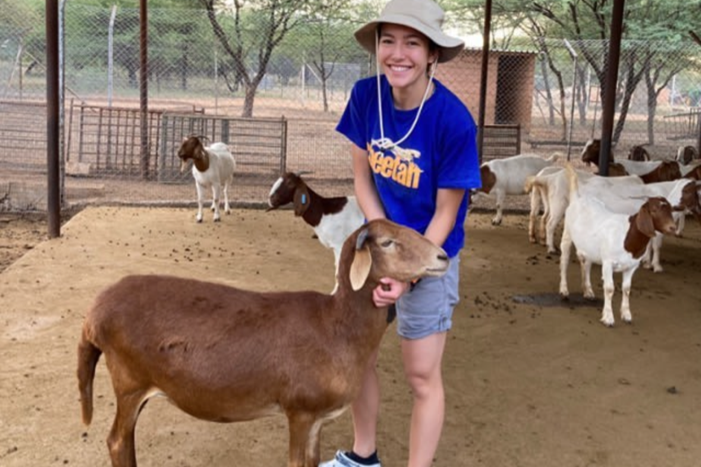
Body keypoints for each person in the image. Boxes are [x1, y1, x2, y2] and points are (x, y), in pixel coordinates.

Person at [321, 0, 482, 466]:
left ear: (432, 53)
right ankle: (363, 456)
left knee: (421, 376)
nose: (398, 53)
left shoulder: (453, 121)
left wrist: (408, 274)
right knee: (358, 356)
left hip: (429, 256)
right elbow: (362, 178)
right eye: (388, 40)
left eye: (412, 42)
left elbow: (447, 213)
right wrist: (379, 243)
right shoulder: (364, 97)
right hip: (379, 248)